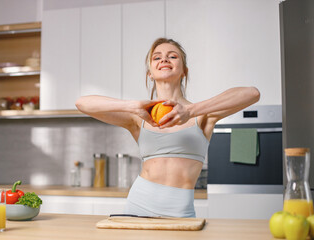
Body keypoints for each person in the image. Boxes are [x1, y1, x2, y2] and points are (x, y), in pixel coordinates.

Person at [75, 38, 260, 218]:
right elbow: (82, 103)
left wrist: (190, 110)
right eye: (156, 57)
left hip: (180, 213)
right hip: (138, 207)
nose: (164, 59)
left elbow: (252, 93)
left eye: (172, 56)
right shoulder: (138, 117)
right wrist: (132, 106)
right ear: (150, 73)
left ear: (184, 71)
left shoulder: (201, 116)